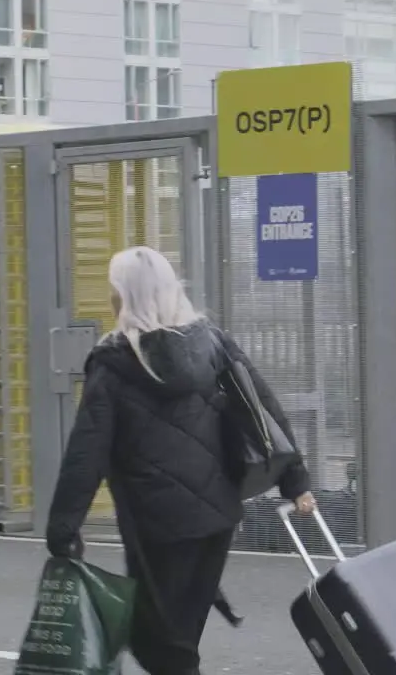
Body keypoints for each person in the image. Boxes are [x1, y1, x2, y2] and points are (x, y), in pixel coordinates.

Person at [45, 246, 315, 675]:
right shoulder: (212, 342)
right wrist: (296, 480)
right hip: (217, 514)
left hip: (156, 522)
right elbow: (264, 409)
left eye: (116, 290)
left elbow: (87, 450)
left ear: (128, 296)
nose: (112, 298)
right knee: (178, 632)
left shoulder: (114, 361)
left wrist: (63, 528)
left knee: (158, 641)